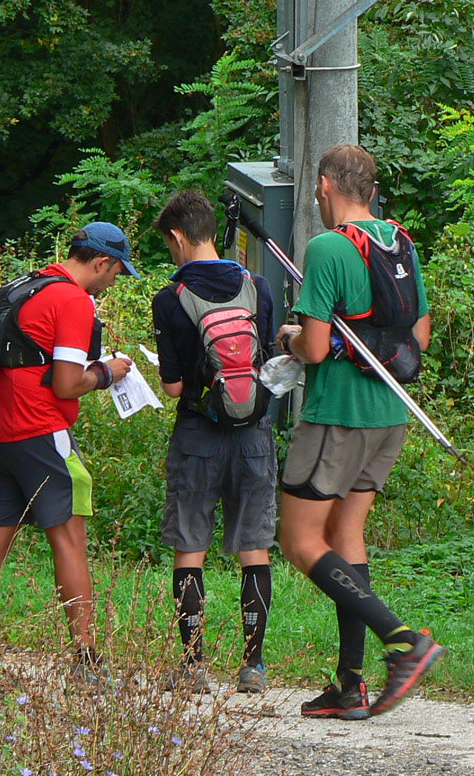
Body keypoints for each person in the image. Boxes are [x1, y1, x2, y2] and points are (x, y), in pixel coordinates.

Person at [276, 144, 446, 719]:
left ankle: (403, 641)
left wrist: (288, 339)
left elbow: (314, 348)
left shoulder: (327, 247)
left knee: (300, 540)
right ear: (371, 190)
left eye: (316, 188)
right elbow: (419, 335)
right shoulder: (400, 242)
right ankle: (350, 686)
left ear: (325, 185)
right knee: (345, 536)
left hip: (338, 416)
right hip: (389, 415)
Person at [0, 222, 138, 678]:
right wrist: (107, 372)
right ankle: (85, 655)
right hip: (41, 432)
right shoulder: (74, 300)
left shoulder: (34, 285)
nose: (113, 282)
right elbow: (66, 384)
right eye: (117, 273)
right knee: (70, 539)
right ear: (101, 262)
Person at [152, 189, 277, 694]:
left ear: (178, 237)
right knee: (254, 547)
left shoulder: (170, 300)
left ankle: (193, 665)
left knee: (190, 545)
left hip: (197, 435)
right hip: (253, 435)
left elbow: (173, 387)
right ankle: (253, 666)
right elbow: (266, 362)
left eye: (169, 245)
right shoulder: (256, 286)